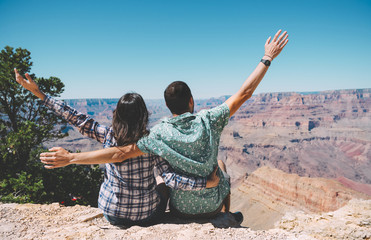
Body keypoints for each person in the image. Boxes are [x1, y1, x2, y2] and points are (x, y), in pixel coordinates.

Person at [40, 29, 289, 220]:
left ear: (167, 108)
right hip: (210, 204)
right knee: (220, 166)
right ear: (191, 101)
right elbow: (244, 93)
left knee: (162, 176)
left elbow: (119, 152)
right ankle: (225, 215)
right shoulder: (210, 118)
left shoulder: (158, 134)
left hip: (179, 208)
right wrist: (267, 57)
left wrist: (71, 157)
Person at [14, 69, 220, 226]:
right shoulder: (151, 143)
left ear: (117, 115)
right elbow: (170, 178)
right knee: (161, 184)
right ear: (144, 116)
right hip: (146, 215)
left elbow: (75, 117)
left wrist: (41, 94)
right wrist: (205, 183)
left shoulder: (107, 135)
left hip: (112, 214)